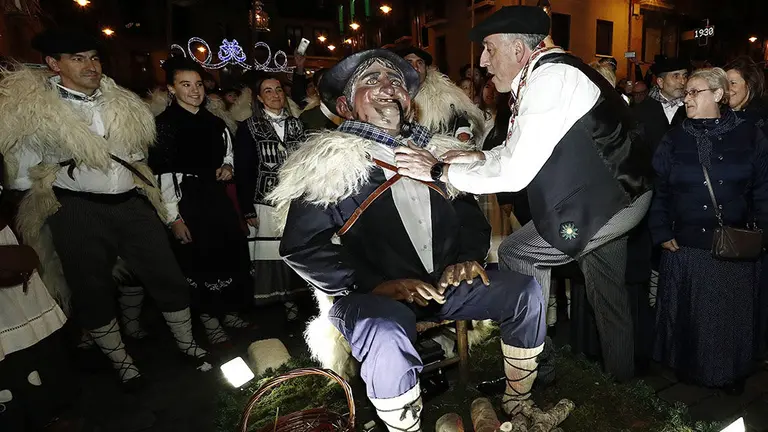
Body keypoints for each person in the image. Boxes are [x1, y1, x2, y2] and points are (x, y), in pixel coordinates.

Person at [267, 49, 568, 431]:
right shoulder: (328, 162)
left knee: (525, 291)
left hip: (442, 287)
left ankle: (518, 400)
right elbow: (302, 245)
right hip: (370, 298)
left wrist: (464, 259)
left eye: (395, 80)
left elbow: (471, 221)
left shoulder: (436, 153)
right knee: (386, 331)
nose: (387, 86)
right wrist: (376, 285)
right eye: (371, 80)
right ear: (344, 105)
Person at [394, 6, 653, 382]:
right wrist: (479, 157)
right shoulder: (546, 72)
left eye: (489, 49)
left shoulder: (550, 79)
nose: (483, 62)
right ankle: (622, 384)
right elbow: (518, 150)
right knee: (608, 294)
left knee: (517, 251)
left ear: (518, 49)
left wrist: (438, 171)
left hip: (608, 202)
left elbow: (515, 172)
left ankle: (535, 366)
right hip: (615, 197)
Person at [0, 29, 211, 388]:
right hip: (76, 208)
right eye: (78, 58)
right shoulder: (36, 111)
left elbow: (138, 154)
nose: (90, 65)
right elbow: (21, 175)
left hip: (131, 203)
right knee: (90, 287)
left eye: (94, 57)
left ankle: (187, 344)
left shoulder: (122, 102)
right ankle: (121, 362)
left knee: (166, 272)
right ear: (54, 64)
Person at [650, 68, 768, 393]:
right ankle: (688, 373)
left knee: (728, 317)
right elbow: (659, 189)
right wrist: (661, 230)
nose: (686, 99)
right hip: (686, 245)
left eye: (695, 92)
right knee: (689, 315)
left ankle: (729, 376)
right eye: (686, 92)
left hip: (733, 246)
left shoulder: (750, 135)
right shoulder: (674, 138)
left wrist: (764, 232)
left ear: (717, 95)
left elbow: (763, 188)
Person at [150, 57, 252, 345]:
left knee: (226, 254)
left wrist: (228, 166)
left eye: (198, 84)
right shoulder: (165, 125)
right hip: (189, 202)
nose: (194, 91)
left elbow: (227, 152)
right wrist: (174, 218)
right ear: (172, 89)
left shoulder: (215, 122)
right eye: (185, 85)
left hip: (216, 198)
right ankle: (210, 321)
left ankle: (227, 310)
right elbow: (164, 176)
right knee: (200, 260)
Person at [234, 75, 307, 319]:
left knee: (294, 248)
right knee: (272, 253)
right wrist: (247, 208)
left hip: (295, 200)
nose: (275, 95)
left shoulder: (298, 125)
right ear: (259, 97)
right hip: (265, 201)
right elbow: (243, 170)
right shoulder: (249, 127)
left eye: (278, 90)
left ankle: (295, 300)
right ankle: (281, 302)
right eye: (268, 91)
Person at [394, 46, 484, 143]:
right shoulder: (389, 93)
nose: (415, 67)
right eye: (409, 62)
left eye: (420, 63)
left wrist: (463, 133)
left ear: (426, 68)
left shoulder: (444, 95)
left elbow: (461, 117)